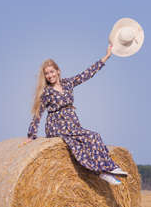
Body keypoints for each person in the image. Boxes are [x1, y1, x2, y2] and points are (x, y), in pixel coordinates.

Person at [23, 44, 128, 185]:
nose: (50, 75)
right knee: (76, 145)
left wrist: (106, 57)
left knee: (94, 136)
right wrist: (31, 135)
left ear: (58, 71)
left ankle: (107, 169)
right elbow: (38, 114)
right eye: (47, 74)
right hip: (57, 125)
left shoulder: (68, 83)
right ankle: (102, 170)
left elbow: (87, 74)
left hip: (72, 123)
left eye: (52, 72)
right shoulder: (46, 92)